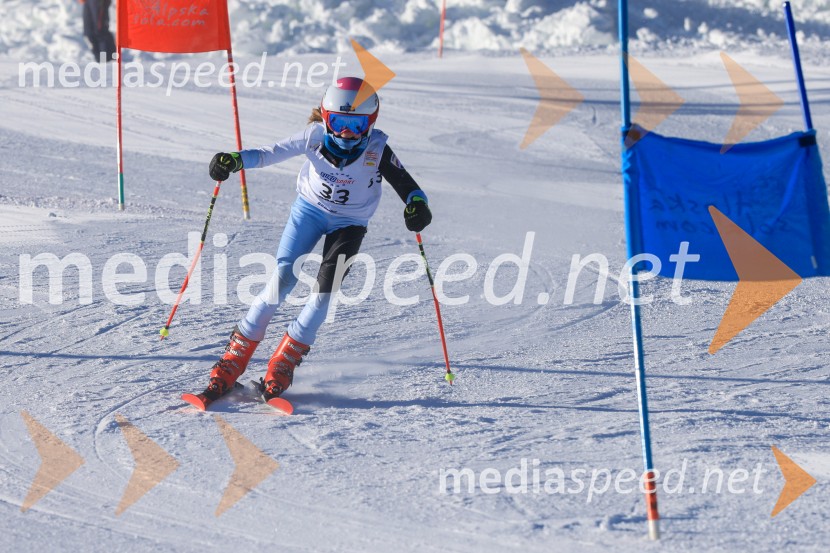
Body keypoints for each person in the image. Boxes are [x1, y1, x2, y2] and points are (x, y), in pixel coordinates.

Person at [194, 77, 432, 405]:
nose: (347, 133)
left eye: (357, 125)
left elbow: (408, 185)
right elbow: (268, 154)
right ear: (326, 118)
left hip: (349, 224)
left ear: (371, 123)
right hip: (309, 213)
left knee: (323, 296)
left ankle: (283, 364)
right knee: (281, 280)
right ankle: (231, 363)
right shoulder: (313, 137)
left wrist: (417, 205)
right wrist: (234, 160)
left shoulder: (376, 149)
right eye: (340, 122)